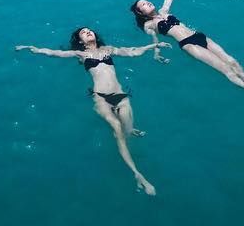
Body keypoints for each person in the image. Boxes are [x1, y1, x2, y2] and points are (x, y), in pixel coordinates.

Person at [16, 26, 159, 194]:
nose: (88, 32)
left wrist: (153, 47)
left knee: (127, 129)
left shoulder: (109, 49)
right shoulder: (81, 55)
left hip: (120, 95)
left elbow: (132, 52)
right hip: (101, 98)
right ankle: (137, 173)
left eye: (89, 30)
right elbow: (53, 53)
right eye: (83, 33)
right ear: (80, 41)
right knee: (118, 129)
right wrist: (30, 48)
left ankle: (130, 133)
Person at [131, 0, 244, 111]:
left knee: (234, 63)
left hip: (200, 36)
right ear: (141, 13)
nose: (148, 3)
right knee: (227, 70)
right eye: (143, 4)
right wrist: (157, 52)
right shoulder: (148, 25)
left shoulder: (164, 11)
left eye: (147, 0)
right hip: (189, 44)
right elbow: (154, 40)